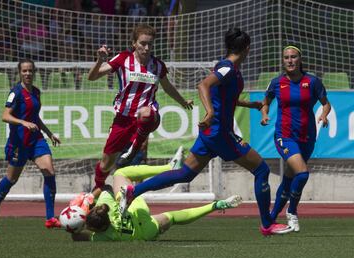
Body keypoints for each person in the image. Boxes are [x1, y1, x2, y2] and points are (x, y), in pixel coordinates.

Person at [118, 27, 292, 236]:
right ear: (247, 49)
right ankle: (267, 224)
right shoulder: (227, 68)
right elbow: (203, 86)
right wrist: (209, 112)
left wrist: (249, 105)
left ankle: (133, 191)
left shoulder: (229, 68)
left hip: (212, 133)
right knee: (261, 170)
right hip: (219, 132)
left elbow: (225, 97)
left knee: (184, 174)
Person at [87, 23, 193, 192]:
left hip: (148, 115)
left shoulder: (158, 66)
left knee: (145, 113)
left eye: (150, 44)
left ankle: (137, 145)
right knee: (106, 162)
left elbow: (167, 87)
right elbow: (92, 77)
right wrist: (100, 60)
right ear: (134, 43)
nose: (147, 47)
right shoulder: (123, 59)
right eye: (143, 43)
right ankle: (99, 186)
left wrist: (182, 101)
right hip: (123, 119)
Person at [71, 155, 242, 242]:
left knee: (174, 217)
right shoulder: (104, 206)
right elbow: (105, 188)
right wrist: (88, 200)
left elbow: (77, 237)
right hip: (136, 211)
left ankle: (215, 205)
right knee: (120, 173)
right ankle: (168, 167)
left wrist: (71, 227)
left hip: (145, 231)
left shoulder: (99, 238)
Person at [260, 45, 331, 232]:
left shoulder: (313, 82)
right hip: (284, 136)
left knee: (289, 180)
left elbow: (326, 104)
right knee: (303, 173)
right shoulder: (276, 83)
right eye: (286, 57)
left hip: (307, 137)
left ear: (300, 59)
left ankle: (269, 221)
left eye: (293, 57)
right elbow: (265, 102)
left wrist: (324, 115)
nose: (290, 60)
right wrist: (264, 114)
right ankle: (292, 212)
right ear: (283, 61)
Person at [0, 59, 61, 230]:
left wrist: (49, 133)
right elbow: (5, 116)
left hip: (36, 139)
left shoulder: (36, 92)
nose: (28, 74)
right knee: (11, 179)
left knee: (49, 172)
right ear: (19, 73)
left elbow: (35, 117)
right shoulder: (15, 92)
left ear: (34, 72)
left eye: (30, 71)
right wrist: (23, 123)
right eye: (24, 71)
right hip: (19, 143)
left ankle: (50, 218)